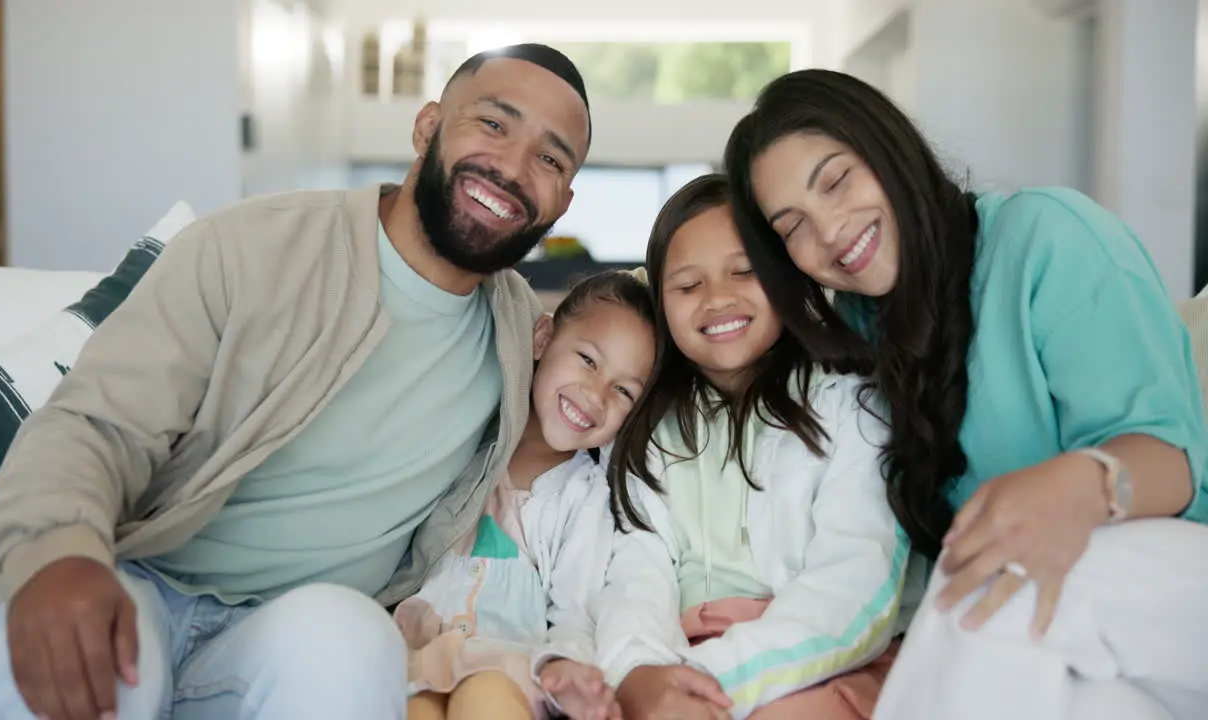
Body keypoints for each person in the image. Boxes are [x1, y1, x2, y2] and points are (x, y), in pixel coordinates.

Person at [0, 43, 593, 720]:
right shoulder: (247, 248)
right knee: (100, 650)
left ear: (565, 200)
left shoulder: (527, 339)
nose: (514, 168)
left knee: (352, 638)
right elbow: (94, 424)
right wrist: (58, 554)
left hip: (289, 641)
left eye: (550, 159)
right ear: (428, 126)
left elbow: (653, 325)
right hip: (137, 580)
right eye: (493, 124)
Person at [724, 68, 1208, 719]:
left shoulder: (1046, 235)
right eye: (793, 227)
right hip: (1079, 642)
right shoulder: (863, 329)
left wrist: (1077, 484)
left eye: (837, 181)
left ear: (889, 150)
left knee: (989, 588)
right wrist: (813, 627)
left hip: (1173, 584)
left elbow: (1174, 463)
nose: (831, 230)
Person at [596, 174, 908, 720]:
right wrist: (637, 671)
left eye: (744, 272)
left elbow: (855, 584)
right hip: (678, 658)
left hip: (826, 662)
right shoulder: (648, 429)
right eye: (688, 286)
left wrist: (706, 680)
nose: (718, 299)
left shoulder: (849, 405)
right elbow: (635, 571)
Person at [397, 269, 655, 720]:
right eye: (588, 360)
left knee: (485, 701)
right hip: (418, 654)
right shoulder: (468, 442)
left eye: (623, 390)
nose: (595, 395)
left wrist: (563, 666)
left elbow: (576, 611)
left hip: (510, 666)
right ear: (543, 339)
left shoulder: (584, 496)